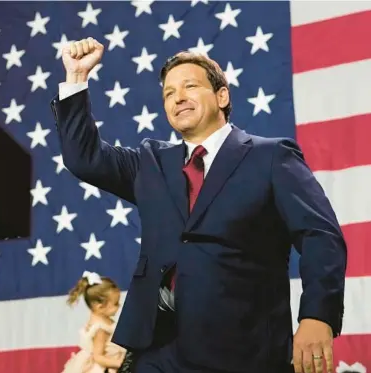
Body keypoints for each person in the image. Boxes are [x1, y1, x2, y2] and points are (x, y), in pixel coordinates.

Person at [51, 37, 347, 373]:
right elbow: (84, 160)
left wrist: (316, 316)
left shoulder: (271, 157)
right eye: (168, 93)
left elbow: (320, 235)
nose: (177, 97)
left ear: (222, 96)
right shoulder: (150, 162)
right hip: (157, 350)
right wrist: (75, 79)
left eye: (190, 86)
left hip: (244, 350)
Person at [62, 271, 126, 373]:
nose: (119, 306)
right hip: (104, 367)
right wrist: (119, 363)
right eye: (116, 303)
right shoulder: (100, 328)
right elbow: (98, 357)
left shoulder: (98, 316)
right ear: (100, 307)